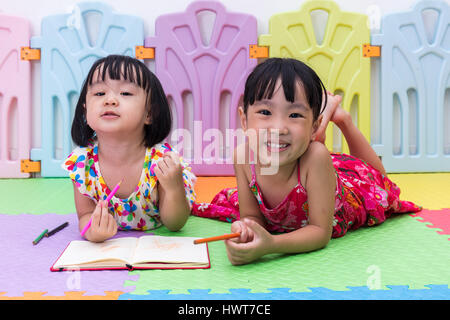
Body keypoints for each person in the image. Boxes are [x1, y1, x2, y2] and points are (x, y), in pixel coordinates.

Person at [192, 58, 421, 265]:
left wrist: (270, 245)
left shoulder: (317, 157)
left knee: (378, 183)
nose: (279, 128)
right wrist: (246, 230)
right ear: (244, 121)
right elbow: (251, 216)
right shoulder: (242, 157)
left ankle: (342, 120)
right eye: (265, 112)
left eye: (294, 115)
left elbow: (320, 232)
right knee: (301, 142)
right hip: (304, 155)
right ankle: (320, 120)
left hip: (342, 189)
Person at [63, 55, 196, 242]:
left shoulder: (162, 162)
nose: (110, 100)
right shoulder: (81, 165)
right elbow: (85, 214)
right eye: (99, 93)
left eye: (125, 93)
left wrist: (174, 188)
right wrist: (93, 231)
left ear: (149, 113)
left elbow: (174, 224)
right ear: (85, 111)